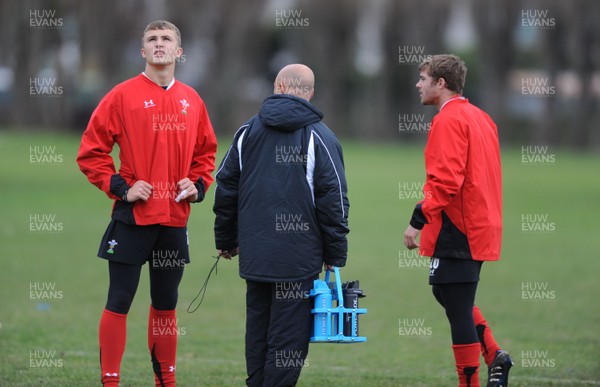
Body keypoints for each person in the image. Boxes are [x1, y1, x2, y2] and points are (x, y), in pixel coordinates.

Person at [77, 20, 217, 386]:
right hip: (133, 220)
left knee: (165, 305)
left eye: (166, 39)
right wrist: (122, 188)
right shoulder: (121, 96)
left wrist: (197, 185)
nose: (159, 44)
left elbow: (206, 154)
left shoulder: (192, 100)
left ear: (178, 52)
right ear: (143, 52)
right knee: (119, 300)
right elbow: (91, 153)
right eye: (152, 39)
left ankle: (165, 382)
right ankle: (110, 382)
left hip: (173, 221)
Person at [213, 63, 349, 386]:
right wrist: (336, 253)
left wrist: (226, 239)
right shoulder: (322, 136)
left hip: (256, 257)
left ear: (276, 87)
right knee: (288, 344)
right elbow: (335, 202)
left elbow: (224, 188)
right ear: (310, 93)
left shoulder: (246, 132)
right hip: (298, 262)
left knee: (257, 336)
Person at [403, 54, 513, 387]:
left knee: (456, 300)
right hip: (480, 222)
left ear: (441, 83)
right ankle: (494, 355)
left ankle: (473, 380)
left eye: (423, 78)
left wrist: (417, 218)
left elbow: (447, 180)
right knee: (448, 294)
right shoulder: (481, 117)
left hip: (461, 226)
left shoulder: (448, 119)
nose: (418, 85)